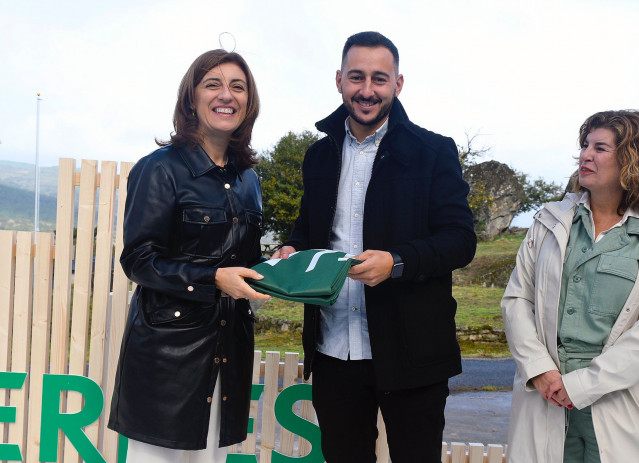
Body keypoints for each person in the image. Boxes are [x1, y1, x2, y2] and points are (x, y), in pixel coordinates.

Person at [273, 31, 476, 462]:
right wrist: (292, 248)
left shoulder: (433, 151)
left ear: (398, 84)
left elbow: (460, 240)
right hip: (333, 353)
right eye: (356, 77)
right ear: (339, 80)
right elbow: (307, 229)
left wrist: (397, 262)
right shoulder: (318, 156)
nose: (367, 90)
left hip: (413, 353)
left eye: (379, 79)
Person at [501, 110, 639, 462]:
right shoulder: (548, 222)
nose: (585, 155)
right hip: (546, 393)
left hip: (620, 402)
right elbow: (516, 299)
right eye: (585, 145)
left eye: (600, 148)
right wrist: (541, 371)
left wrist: (580, 386)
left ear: (631, 159)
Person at [108, 49, 271, 463]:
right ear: (191, 99)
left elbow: (244, 265)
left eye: (238, 86)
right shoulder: (159, 168)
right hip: (169, 361)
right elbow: (139, 260)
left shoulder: (249, 179)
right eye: (212, 84)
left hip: (228, 352)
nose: (226, 95)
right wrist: (213, 278)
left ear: (248, 102)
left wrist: (278, 263)